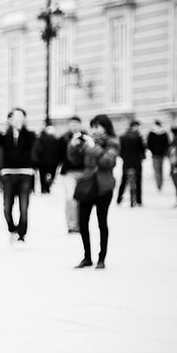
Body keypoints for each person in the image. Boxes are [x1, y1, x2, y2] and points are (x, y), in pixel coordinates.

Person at [70, 115, 120, 269]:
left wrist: (92, 148)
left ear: (106, 127)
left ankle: (101, 258)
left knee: (101, 222)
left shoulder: (112, 142)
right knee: (83, 222)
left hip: (104, 187)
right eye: (93, 127)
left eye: (97, 127)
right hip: (87, 186)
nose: (94, 130)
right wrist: (73, 146)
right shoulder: (89, 141)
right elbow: (74, 160)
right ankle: (87, 257)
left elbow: (108, 162)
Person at [0, 108, 36, 243]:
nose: (18, 120)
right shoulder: (5, 135)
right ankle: (12, 228)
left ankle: (22, 233)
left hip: (25, 173)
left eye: (21, 117)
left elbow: (31, 145)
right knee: (7, 207)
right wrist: (5, 131)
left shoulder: (29, 135)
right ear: (10, 119)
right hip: (8, 174)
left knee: (23, 207)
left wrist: (20, 130)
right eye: (15, 117)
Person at [58, 116, 86, 233]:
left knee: (83, 199)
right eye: (71, 124)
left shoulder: (86, 138)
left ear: (80, 125)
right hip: (69, 171)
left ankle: (81, 223)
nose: (74, 126)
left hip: (84, 172)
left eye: (76, 124)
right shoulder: (64, 139)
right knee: (71, 198)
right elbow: (58, 155)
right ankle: (71, 225)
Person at [117, 120, 145, 207]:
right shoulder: (138, 137)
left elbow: (120, 151)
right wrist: (142, 157)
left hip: (127, 161)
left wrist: (124, 157)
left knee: (124, 180)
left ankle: (119, 198)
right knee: (138, 180)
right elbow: (142, 150)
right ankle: (139, 200)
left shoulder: (122, 137)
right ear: (134, 126)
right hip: (136, 162)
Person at [33, 123, 61, 194]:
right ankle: (47, 187)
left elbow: (38, 150)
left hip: (43, 161)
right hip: (51, 161)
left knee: (43, 175)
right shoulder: (55, 139)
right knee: (50, 174)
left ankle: (44, 188)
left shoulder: (41, 138)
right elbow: (57, 151)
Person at [146, 119, 170, 192]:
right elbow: (167, 144)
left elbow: (149, 144)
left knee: (156, 170)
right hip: (161, 154)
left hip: (155, 154)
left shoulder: (151, 133)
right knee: (161, 169)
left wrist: (152, 151)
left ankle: (158, 184)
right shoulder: (164, 133)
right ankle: (160, 184)